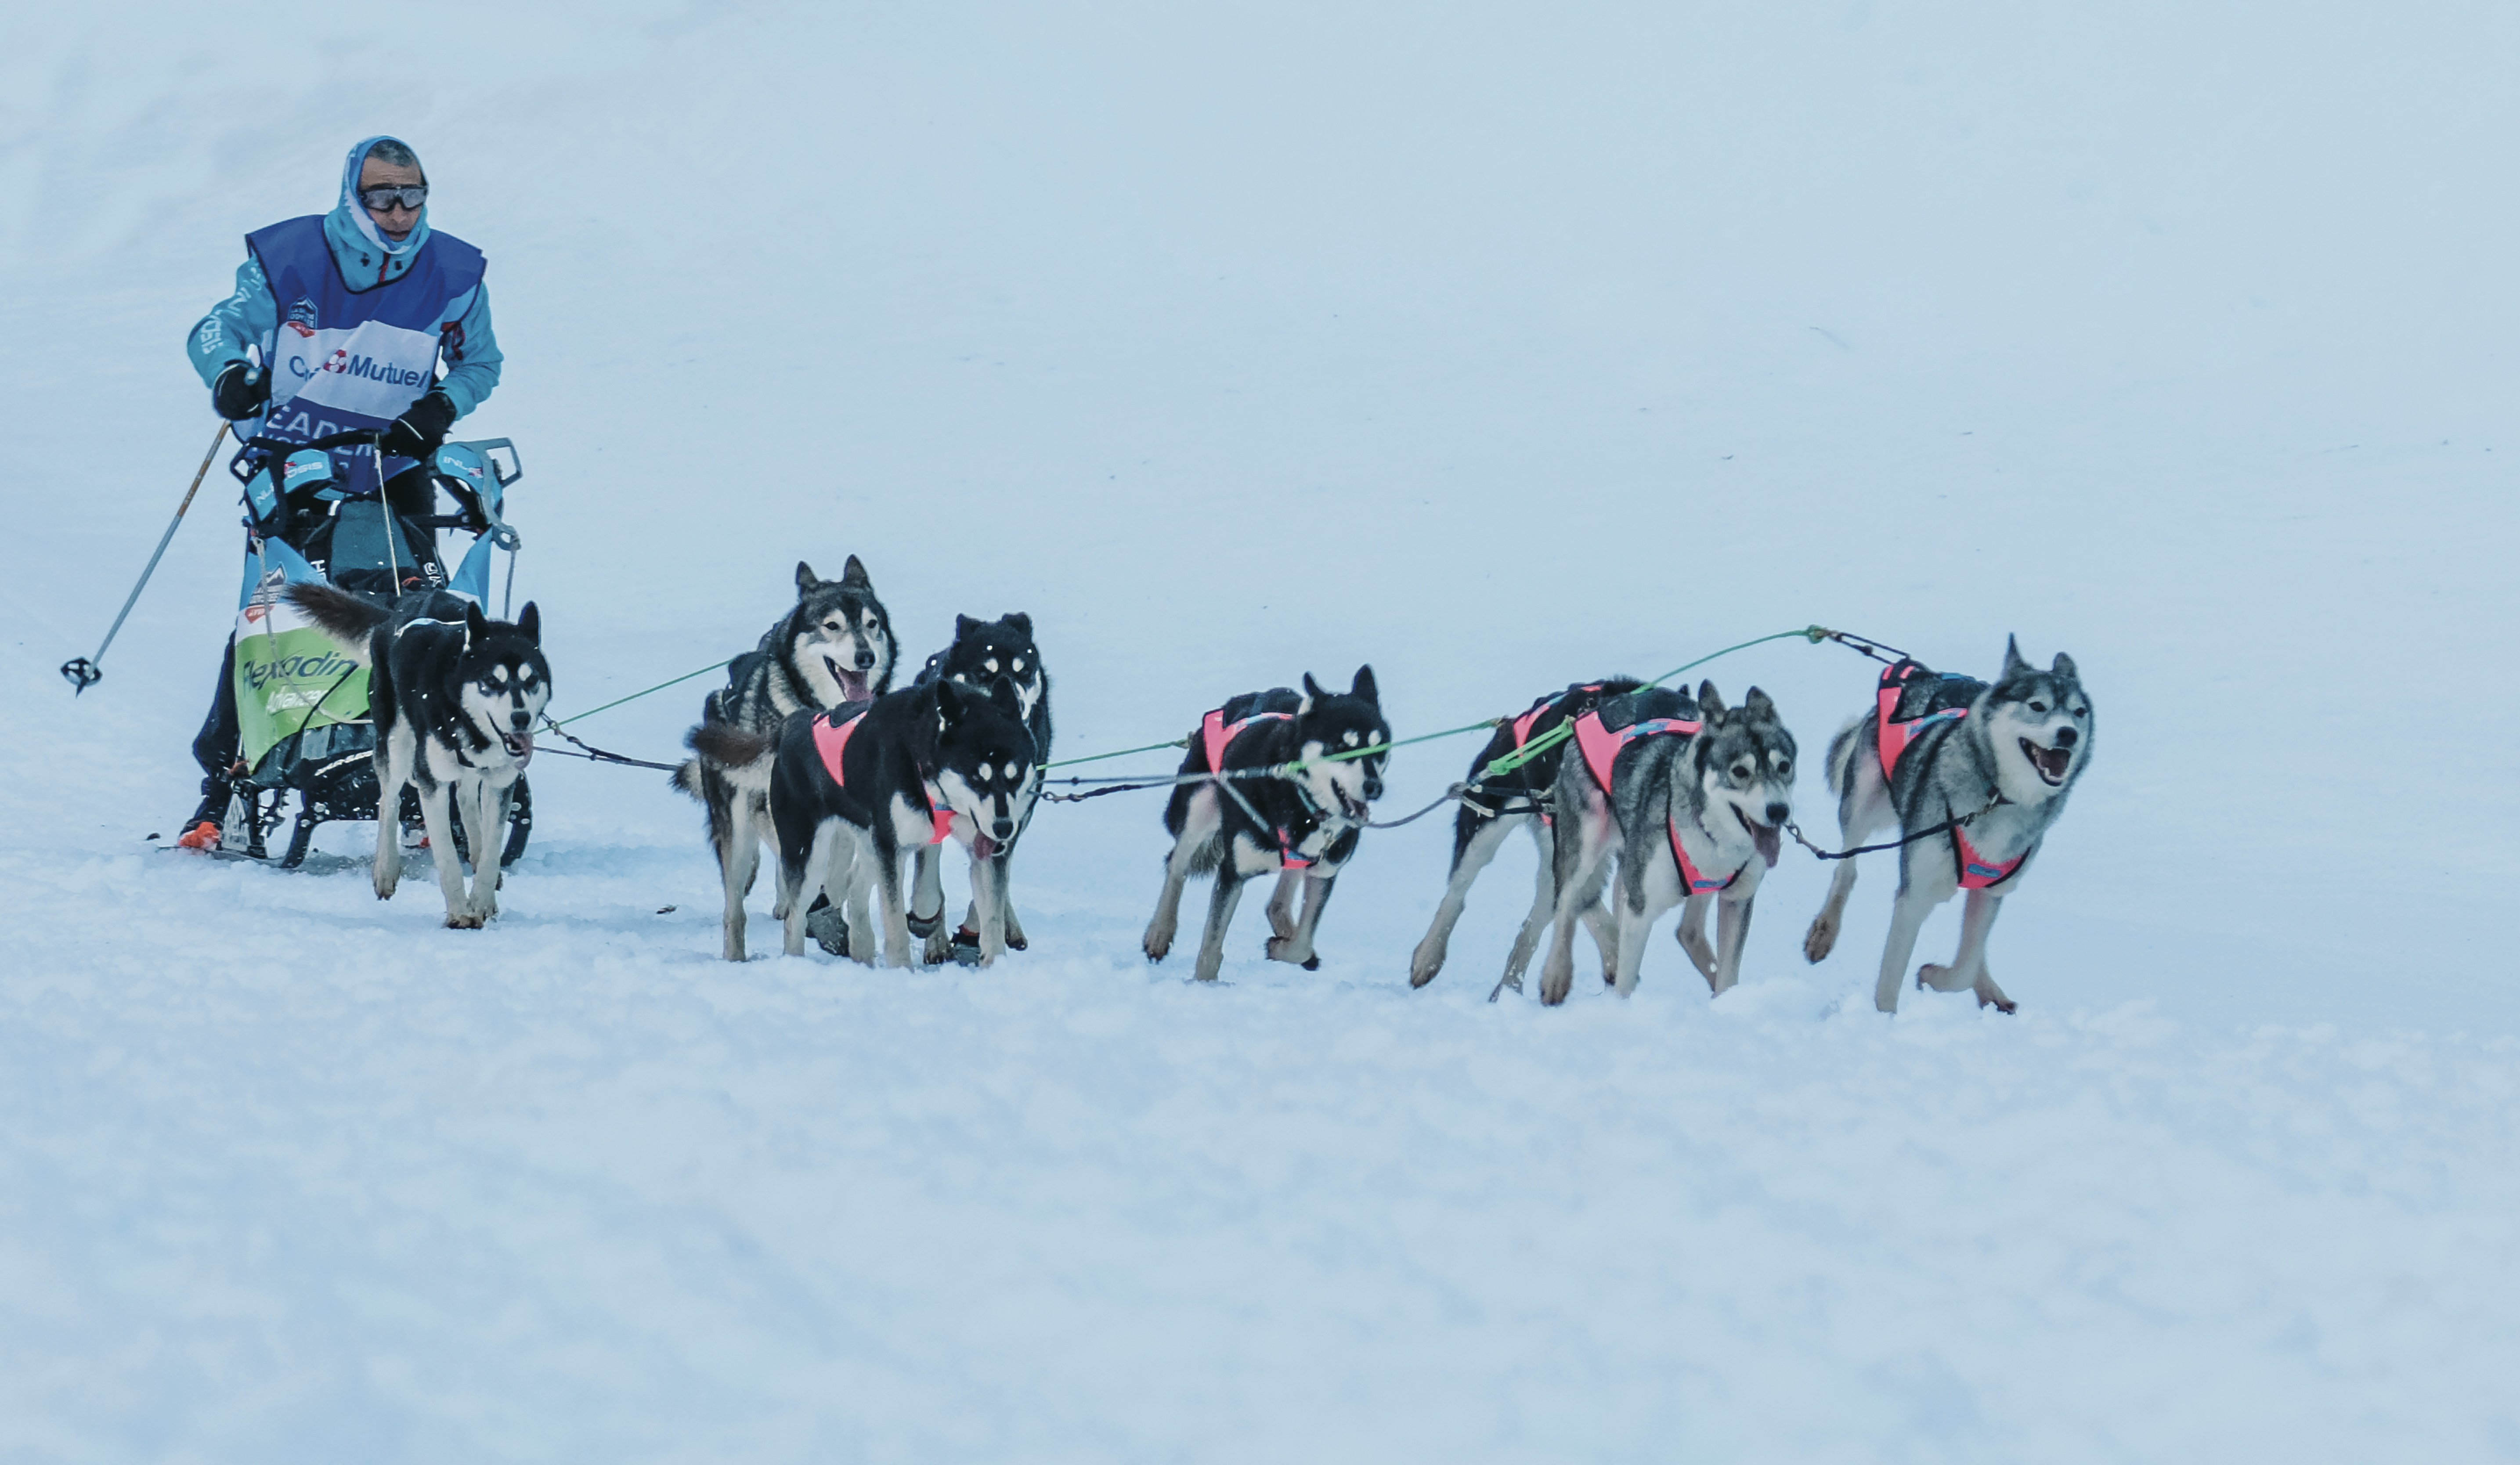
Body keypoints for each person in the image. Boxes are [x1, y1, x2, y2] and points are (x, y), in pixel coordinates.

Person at [177, 136, 503, 849]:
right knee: (278, 613)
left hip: (397, 462)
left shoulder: (453, 270)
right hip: (294, 459)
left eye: (410, 196)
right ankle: (225, 785)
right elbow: (216, 328)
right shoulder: (290, 256)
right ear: (353, 196)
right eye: (381, 196)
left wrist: (439, 411)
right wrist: (229, 374)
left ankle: (429, 780)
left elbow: (481, 362)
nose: (396, 211)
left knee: (411, 608)